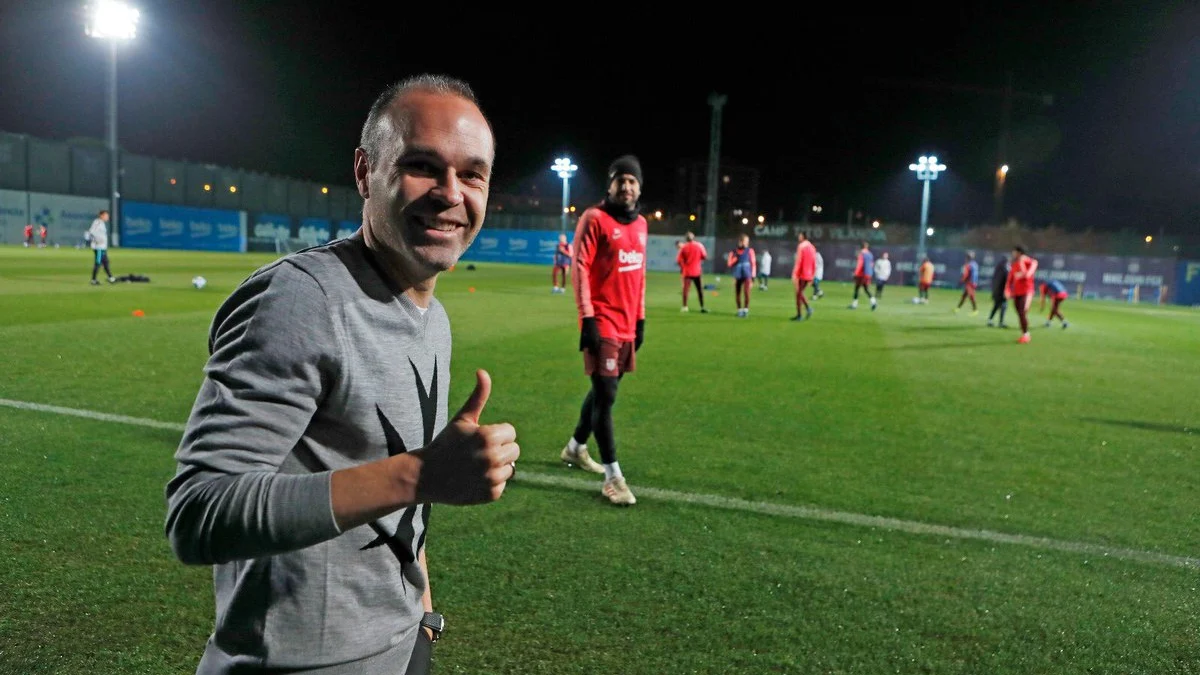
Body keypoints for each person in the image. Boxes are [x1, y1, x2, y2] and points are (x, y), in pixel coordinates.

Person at [164, 75, 519, 675]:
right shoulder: (300, 300)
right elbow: (200, 513)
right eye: (423, 166)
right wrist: (419, 474)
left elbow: (407, 502)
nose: (450, 193)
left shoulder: (433, 317)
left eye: (472, 174)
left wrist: (423, 619)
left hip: (404, 646)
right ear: (364, 172)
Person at [559, 154, 647, 506]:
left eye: (632, 181)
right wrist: (588, 318)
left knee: (602, 392)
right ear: (609, 185)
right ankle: (613, 477)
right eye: (620, 180)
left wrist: (640, 319)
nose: (626, 186)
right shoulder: (594, 219)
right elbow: (579, 268)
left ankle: (575, 447)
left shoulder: (640, 224)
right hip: (603, 321)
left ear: (639, 187)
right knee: (606, 393)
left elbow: (639, 276)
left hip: (627, 324)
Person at [1006, 245, 1039, 343]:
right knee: (1019, 312)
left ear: (1019, 253)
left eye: (1014, 252)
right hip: (1017, 291)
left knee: (1022, 311)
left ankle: (1026, 335)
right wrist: (1007, 289)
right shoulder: (1014, 264)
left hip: (1027, 291)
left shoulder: (1032, 262)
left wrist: (1021, 264)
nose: (1013, 254)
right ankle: (1025, 332)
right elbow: (1010, 278)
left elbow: (1027, 275)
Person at [676, 230, 708, 313]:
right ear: (693, 237)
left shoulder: (684, 247)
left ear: (686, 239)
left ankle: (685, 306)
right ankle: (702, 306)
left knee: (686, 290)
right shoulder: (699, 245)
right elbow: (704, 256)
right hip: (697, 271)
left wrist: (684, 266)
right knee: (700, 289)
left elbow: (679, 260)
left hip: (687, 271)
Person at [726, 234, 757, 317]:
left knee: (747, 292)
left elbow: (753, 263)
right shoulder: (733, 252)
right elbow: (729, 263)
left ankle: (746, 310)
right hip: (738, 274)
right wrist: (735, 259)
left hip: (747, 274)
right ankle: (739, 310)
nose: (746, 243)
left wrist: (753, 276)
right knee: (738, 293)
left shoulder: (750, 251)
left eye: (747, 241)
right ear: (740, 241)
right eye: (744, 241)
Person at [790, 231, 816, 321]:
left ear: (803, 237)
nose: (798, 237)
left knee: (798, 293)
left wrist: (794, 274)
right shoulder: (812, 247)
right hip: (808, 274)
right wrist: (812, 275)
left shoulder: (801, 246)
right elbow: (814, 262)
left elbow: (799, 261)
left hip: (802, 273)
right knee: (799, 293)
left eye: (800, 236)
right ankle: (806, 310)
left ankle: (802, 313)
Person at [85, 210, 116, 285]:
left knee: (105, 262)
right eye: (106, 216)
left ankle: (110, 278)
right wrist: (97, 240)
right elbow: (91, 232)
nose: (107, 217)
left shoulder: (101, 223)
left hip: (102, 247)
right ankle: (94, 280)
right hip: (98, 248)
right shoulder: (98, 222)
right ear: (101, 215)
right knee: (98, 263)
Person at [848, 240, 876, 310]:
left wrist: (855, 273)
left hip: (861, 274)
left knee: (857, 289)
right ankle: (873, 302)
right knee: (866, 289)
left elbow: (859, 265)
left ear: (861, 247)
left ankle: (854, 305)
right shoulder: (870, 254)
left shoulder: (861, 254)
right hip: (868, 274)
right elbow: (872, 264)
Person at [987, 256, 1010, 328]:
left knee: (996, 305)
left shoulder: (998, 269)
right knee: (1004, 306)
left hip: (996, 290)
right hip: (1001, 291)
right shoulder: (1005, 269)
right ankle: (1001, 322)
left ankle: (990, 320)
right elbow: (1007, 279)